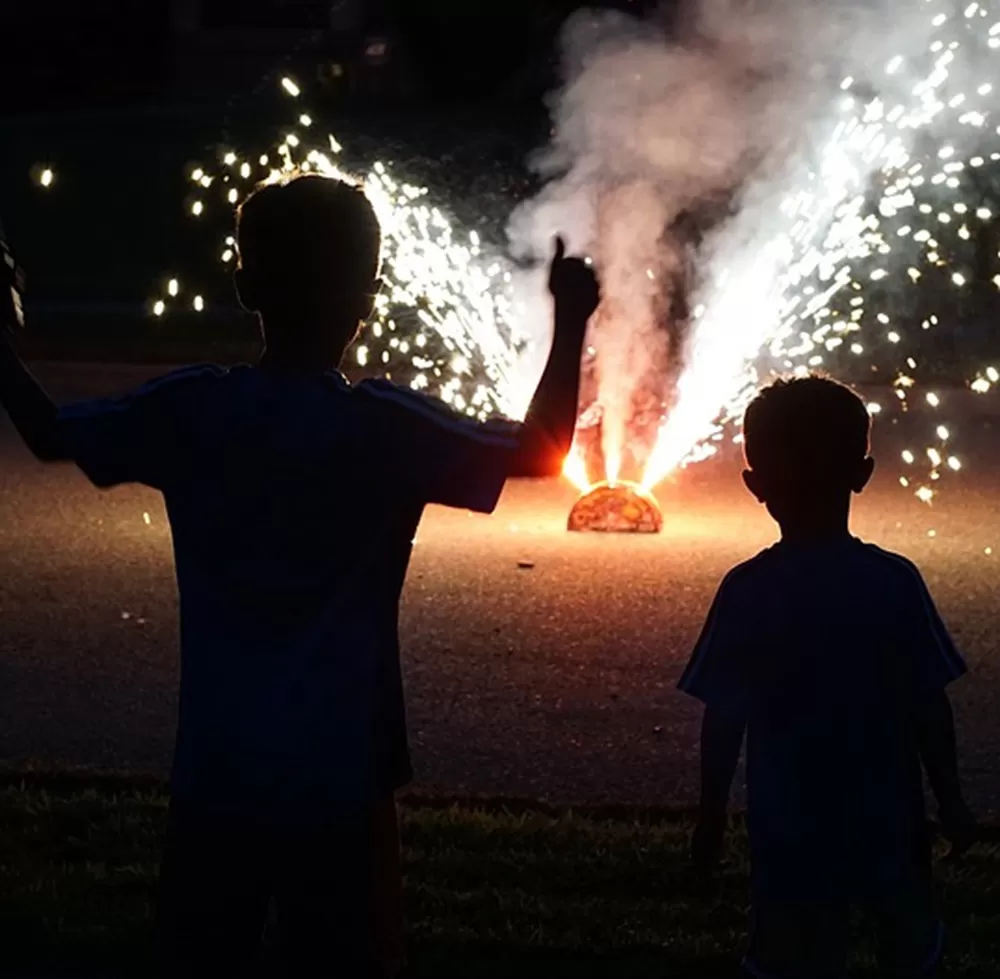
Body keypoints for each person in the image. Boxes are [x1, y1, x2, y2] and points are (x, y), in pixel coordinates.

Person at [0, 174, 600, 977]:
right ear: (369, 291)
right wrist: (571, 318)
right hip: (342, 777)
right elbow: (544, 448)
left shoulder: (191, 411)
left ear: (243, 281)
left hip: (218, 766)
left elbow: (46, 432)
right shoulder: (385, 426)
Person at [677, 375, 976, 979]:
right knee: (910, 947)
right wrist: (952, 800)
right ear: (861, 474)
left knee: (785, 955)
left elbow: (723, 721)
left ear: (755, 486)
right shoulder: (894, 583)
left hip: (788, 826)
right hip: (886, 821)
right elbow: (928, 706)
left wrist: (709, 823)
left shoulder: (747, 590)